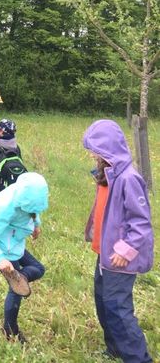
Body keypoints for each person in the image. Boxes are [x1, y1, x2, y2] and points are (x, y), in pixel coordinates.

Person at [83, 120, 154, 363]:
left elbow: (141, 222)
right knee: (104, 303)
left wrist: (127, 249)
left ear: (109, 148)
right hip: (104, 255)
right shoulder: (108, 174)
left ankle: (137, 358)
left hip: (120, 258)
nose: (92, 154)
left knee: (117, 309)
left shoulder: (128, 179)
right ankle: (114, 348)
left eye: (95, 150)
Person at [0, 172, 49, 344]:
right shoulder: (6, 206)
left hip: (16, 244)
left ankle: (20, 277)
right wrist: (0, 259)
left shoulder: (29, 197)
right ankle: (10, 330)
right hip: (5, 250)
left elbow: (34, 211)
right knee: (16, 290)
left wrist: (36, 225)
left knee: (38, 269)